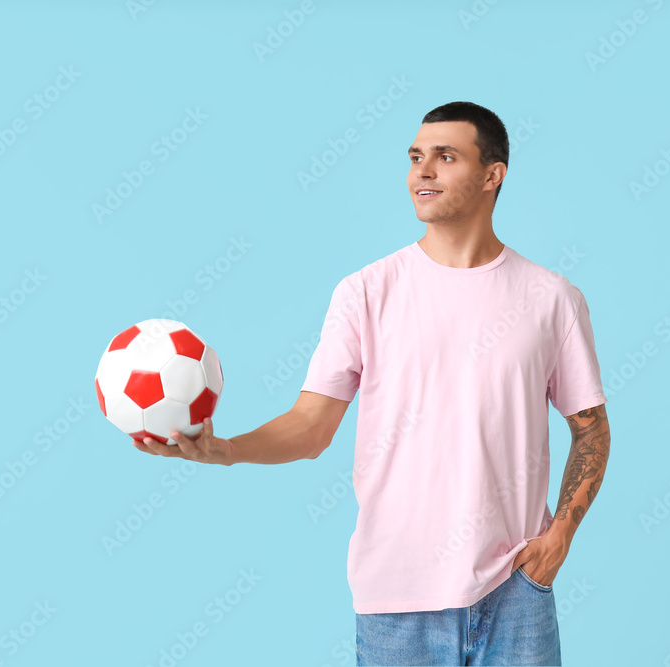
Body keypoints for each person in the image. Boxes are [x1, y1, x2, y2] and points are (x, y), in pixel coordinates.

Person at [133, 101, 611, 666]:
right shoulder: (366, 292)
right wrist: (226, 450)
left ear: (492, 175)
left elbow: (591, 429)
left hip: (516, 590)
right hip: (396, 598)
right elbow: (311, 427)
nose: (422, 171)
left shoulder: (552, 299)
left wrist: (560, 537)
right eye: (415, 157)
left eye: (445, 156)